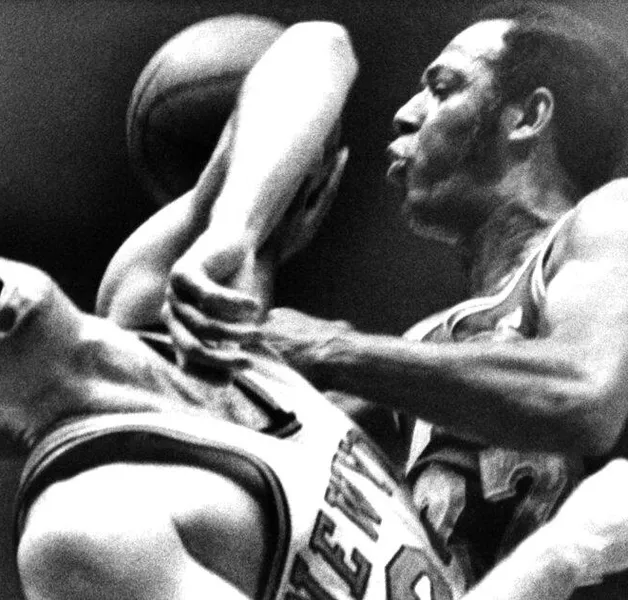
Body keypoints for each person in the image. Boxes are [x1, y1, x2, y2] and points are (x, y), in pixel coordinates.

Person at [159, 0, 628, 592]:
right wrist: (249, 231)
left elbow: (582, 394)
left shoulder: (613, 217)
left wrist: (332, 348)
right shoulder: (417, 361)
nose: (405, 115)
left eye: (441, 87)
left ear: (527, 117)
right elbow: (316, 44)